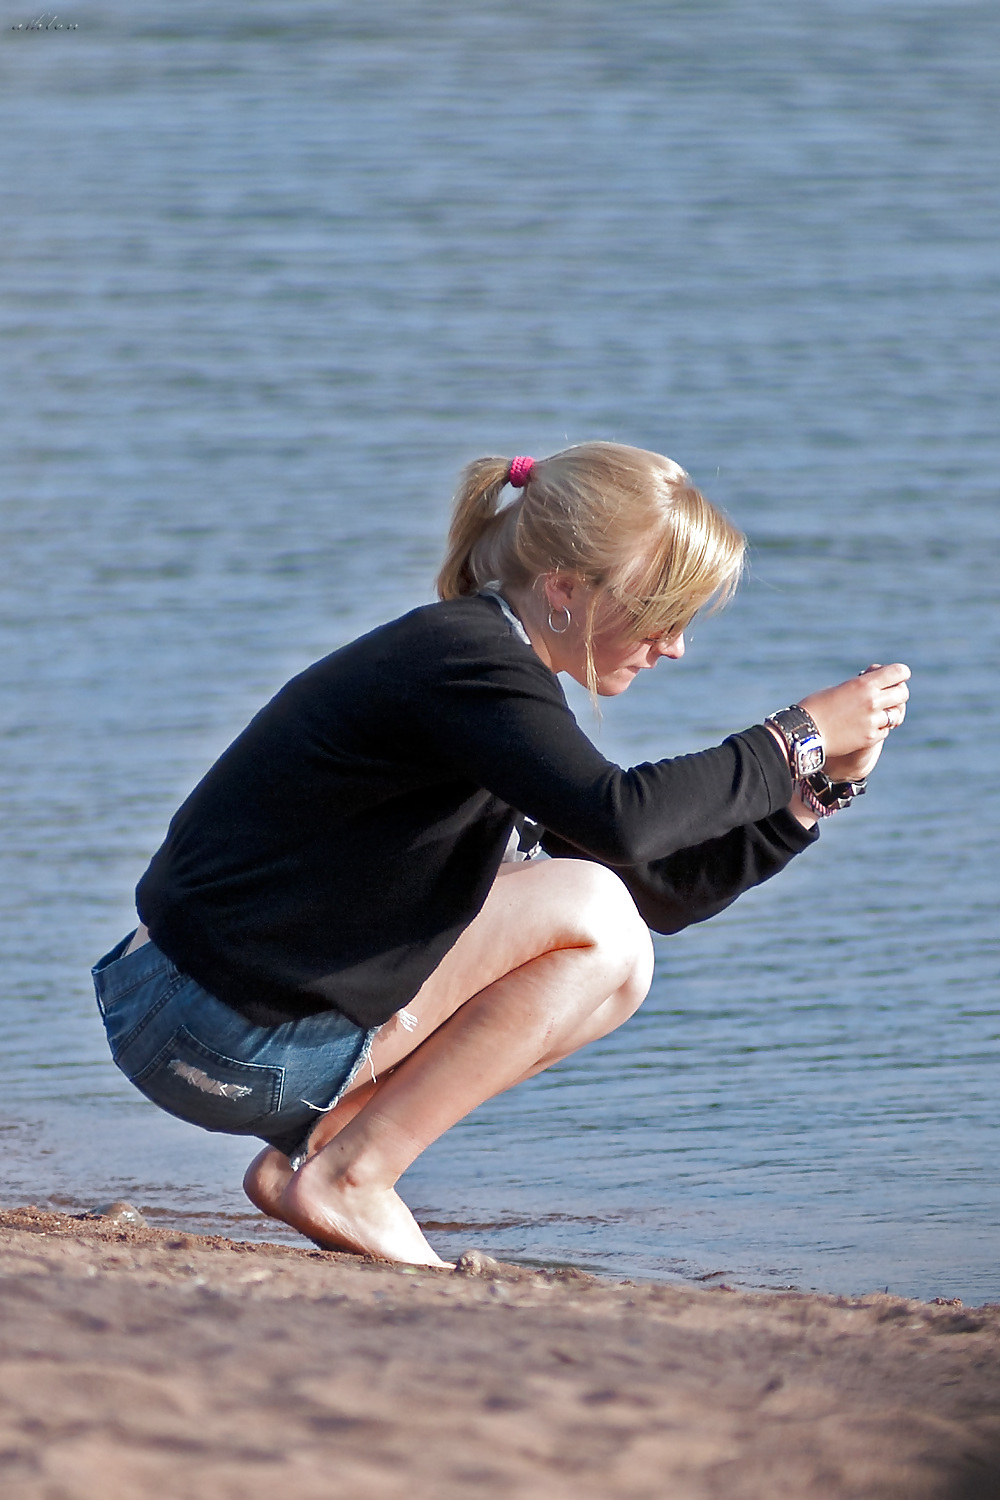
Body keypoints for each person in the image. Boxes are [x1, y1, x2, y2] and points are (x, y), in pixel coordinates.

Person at [92, 442, 910, 1268]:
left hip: (202, 1021)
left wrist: (816, 791)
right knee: (599, 928)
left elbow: (660, 888)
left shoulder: (487, 676)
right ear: (562, 590)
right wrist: (794, 735)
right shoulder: (464, 659)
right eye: (663, 612)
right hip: (203, 1024)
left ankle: (321, 1156)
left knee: (620, 959)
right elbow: (622, 821)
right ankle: (352, 1177)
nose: (674, 646)